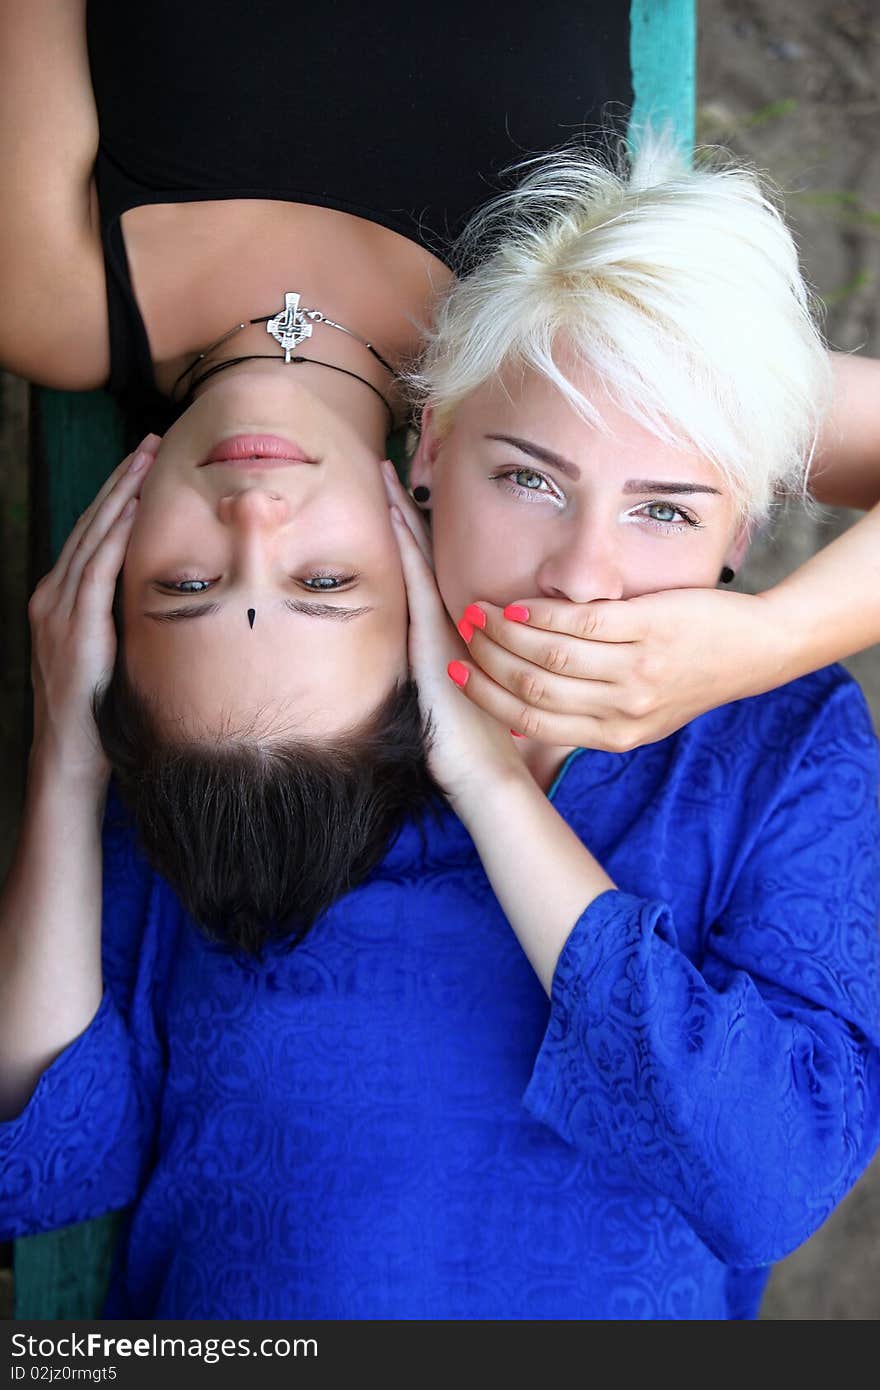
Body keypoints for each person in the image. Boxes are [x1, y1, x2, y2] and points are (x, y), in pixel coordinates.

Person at [2, 138, 878, 1321]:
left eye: (665, 509)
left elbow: (768, 1175)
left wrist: (496, 785)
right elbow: (46, 1158)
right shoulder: (270, 697)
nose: (582, 577)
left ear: (740, 531)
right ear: (430, 450)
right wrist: (67, 762)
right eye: (527, 480)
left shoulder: (783, 740)